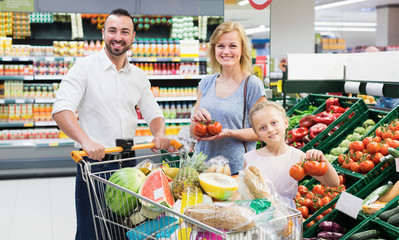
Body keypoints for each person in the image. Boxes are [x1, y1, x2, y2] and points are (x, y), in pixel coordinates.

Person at [52, 8, 171, 240]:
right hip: (95, 163)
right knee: (92, 230)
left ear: (133, 37)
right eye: (113, 30)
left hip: (129, 164)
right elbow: (61, 110)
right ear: (103, 33)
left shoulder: (138, 76)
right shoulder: (84, 68)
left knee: (126, 229)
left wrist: (159, 133)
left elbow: (152, 112)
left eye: (125, 32)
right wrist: (85, 141)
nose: (118, 37)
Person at [190, 21, 267, 175]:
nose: (226, 51)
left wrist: (230, 132)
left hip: (236, 171)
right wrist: (196, 121)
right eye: (220, 46)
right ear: (214, 49)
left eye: (232, 46)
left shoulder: (252, 85)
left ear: (242, 49)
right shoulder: (206, 83)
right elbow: (192, 132)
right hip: (201, 169)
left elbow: (263, 132)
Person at [244, 101, 339, 208]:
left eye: (274, 123)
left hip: (288, 218)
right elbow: (245, 195)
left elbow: (333, 183)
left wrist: (322, 160)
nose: (270, 130)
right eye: (262, 128)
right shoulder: (250, 159)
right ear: (257, 135)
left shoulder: (297, 157)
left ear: (285, 123)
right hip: (260, 218)